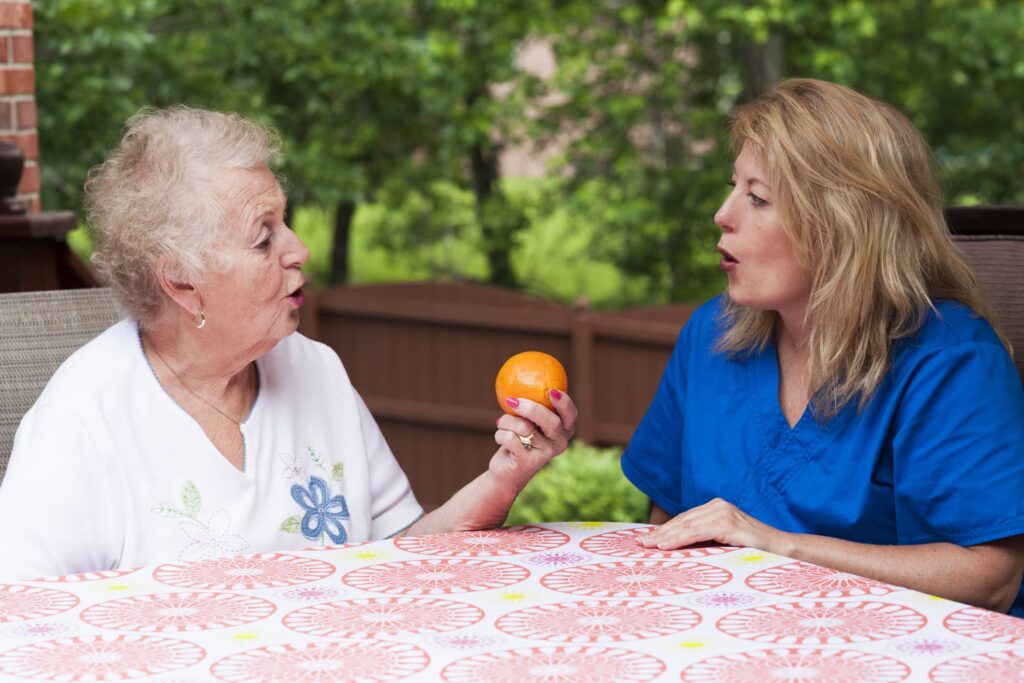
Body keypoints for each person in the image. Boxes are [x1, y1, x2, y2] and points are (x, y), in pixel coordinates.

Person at [0, 106, 575, 578]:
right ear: (180, 281)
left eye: (286, 221)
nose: (298, 248)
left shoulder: (315, 369)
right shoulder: (81, 422)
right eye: (262, 238)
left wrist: (504, 477)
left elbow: (403, 553)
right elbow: (23, 620)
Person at [622, 78, 1024, 616]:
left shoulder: (952, 361)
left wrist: (780, 547)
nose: (723, 214)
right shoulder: (710, 335)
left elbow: (990, 576)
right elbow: (665, 518)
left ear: (843, 225)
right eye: (733, 186)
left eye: (757, 197)